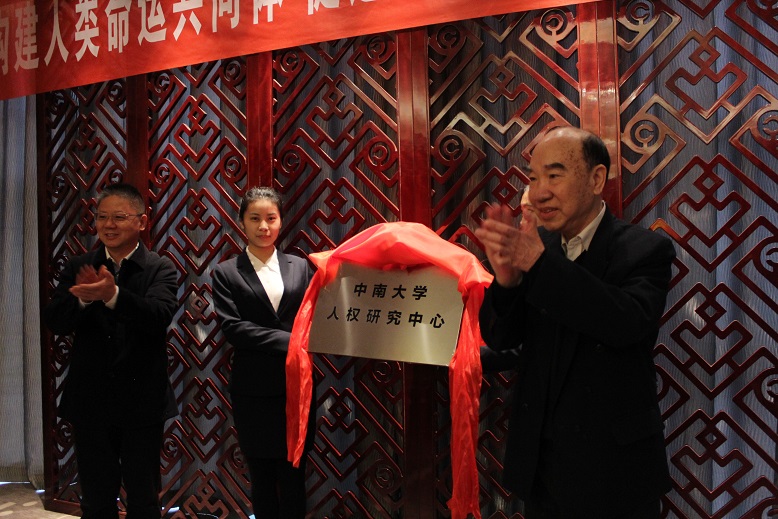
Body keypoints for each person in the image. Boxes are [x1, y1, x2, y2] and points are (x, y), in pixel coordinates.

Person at [476, 127, 675, 518]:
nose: (539, 192)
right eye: (533, 178)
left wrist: (538, 265)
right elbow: (501, 338)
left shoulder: (643, 249)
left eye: (554, 175)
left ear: (596, 179)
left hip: (614, 470)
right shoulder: (538, 247)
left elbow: (625, 323)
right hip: (542, 465)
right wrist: (507, 281)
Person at [43, 183, 179, 519]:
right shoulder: (80, 265)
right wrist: (83, 299)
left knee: (143, 500)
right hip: (90, 401)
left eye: (119, 217)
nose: (108, 225)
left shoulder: (159, 267)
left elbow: (159, 315)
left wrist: (113, 295)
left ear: (141, 222)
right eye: (102, 217)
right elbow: (56, 320)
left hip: (142, 401)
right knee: (96, 500)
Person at [211, 187, 314, 519]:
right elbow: (233, 328)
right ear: (242, 221)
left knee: (294, 474)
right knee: (262, 477)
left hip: (296, 386)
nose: (264, 226)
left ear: (281, 221)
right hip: (253, 389)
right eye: (255, 218)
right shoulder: (226, 272)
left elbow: (314, 316)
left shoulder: (301, 267)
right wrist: (289, 340)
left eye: (271, 218)